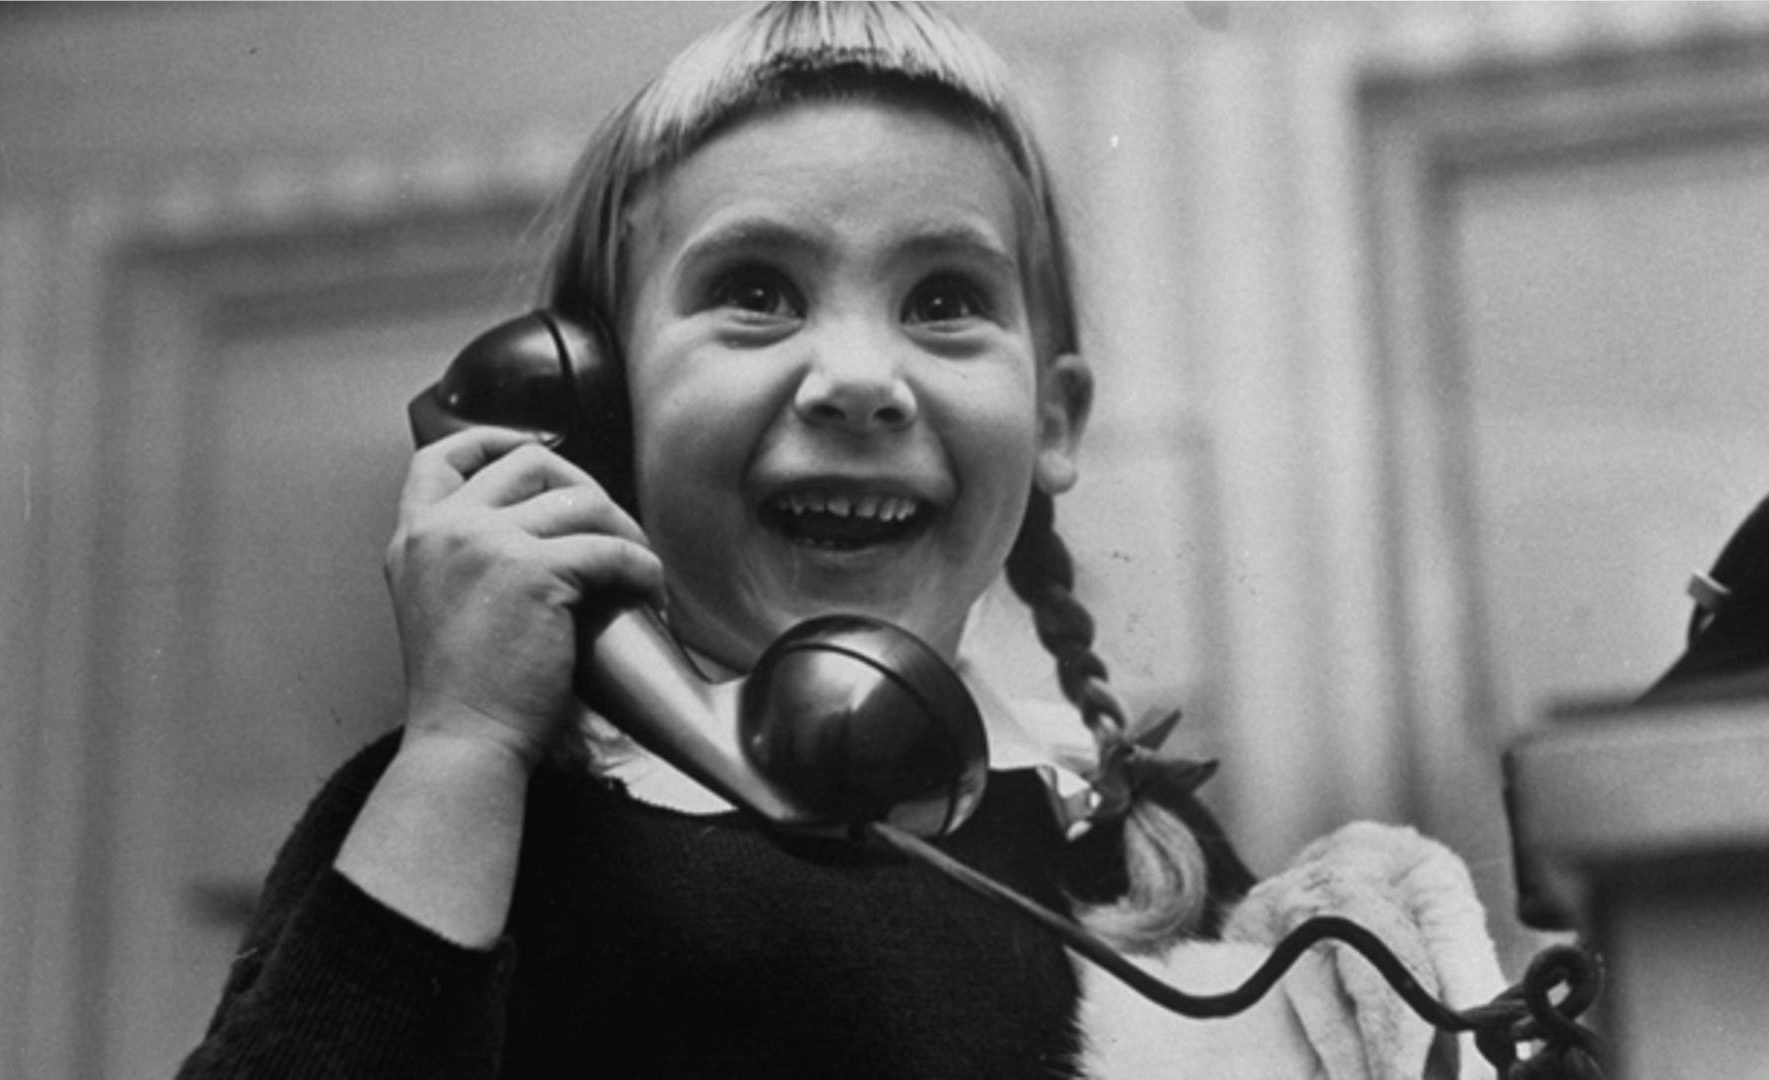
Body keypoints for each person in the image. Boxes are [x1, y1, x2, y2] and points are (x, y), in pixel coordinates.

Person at [177, 4, 1258, 1077]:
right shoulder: (471, 803)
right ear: (589, 405)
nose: (860, 382)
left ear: (1055, 420)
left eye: (943, 299)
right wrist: (464, 750)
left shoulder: (1136, 854)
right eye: (756, 293)